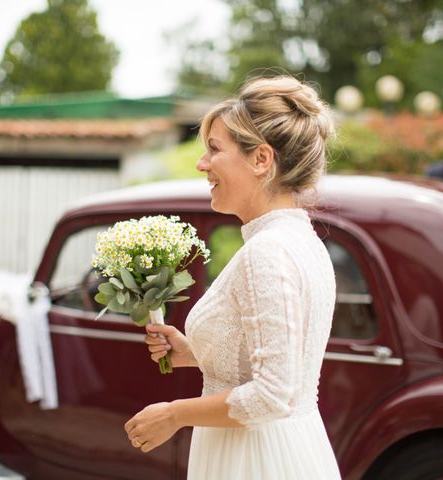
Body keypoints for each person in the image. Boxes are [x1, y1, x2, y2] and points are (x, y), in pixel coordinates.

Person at [124, 75, 342, 479]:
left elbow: (273, 395)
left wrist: (174, 415)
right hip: (286, 447)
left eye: (213, 149)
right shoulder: (301, 239)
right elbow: (274, 363)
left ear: (261, 160)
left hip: (255, 459)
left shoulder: (268, 252)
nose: (201, 163)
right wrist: (193, 353)